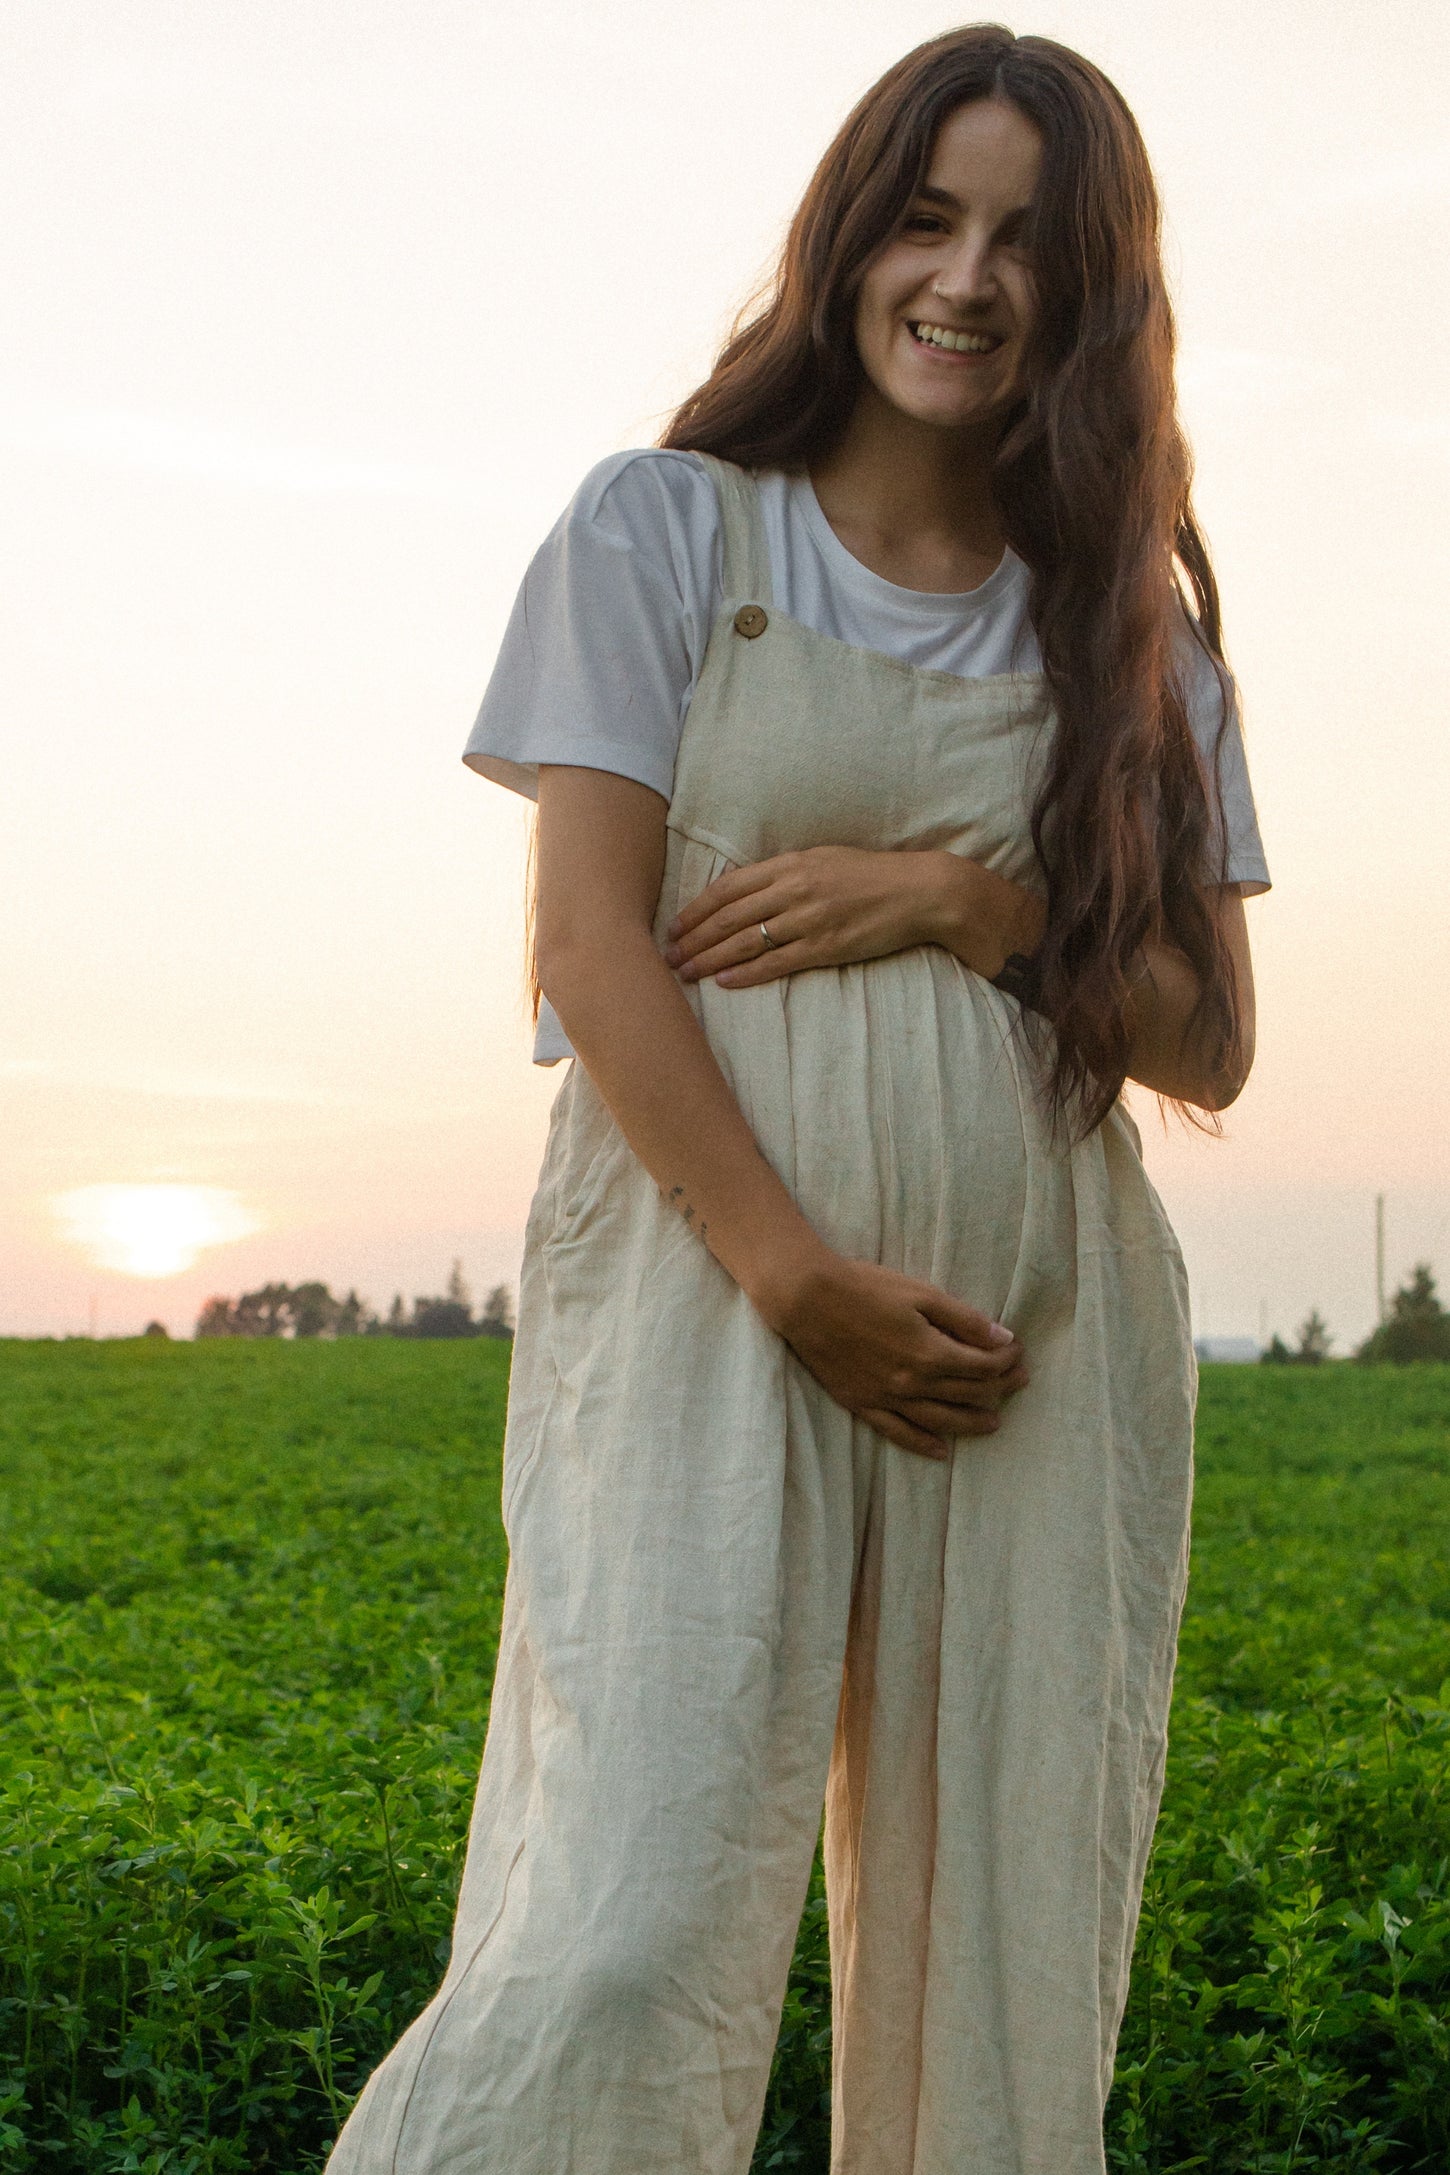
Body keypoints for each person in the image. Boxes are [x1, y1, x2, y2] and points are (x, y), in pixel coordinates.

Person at [326, 23, 1268, 2175]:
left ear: (1094, 294)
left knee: (1005, 1951)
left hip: (1028, 1337)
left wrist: (966, 895)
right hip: (708, 1300)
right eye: (925, 217)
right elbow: (585, 949)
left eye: (1027, 240)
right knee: (624, 1920)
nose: (965, 278)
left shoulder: (1122, 628)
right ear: (848, 244)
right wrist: (792, 1271)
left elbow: (1204, 1036)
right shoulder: (661, 528)